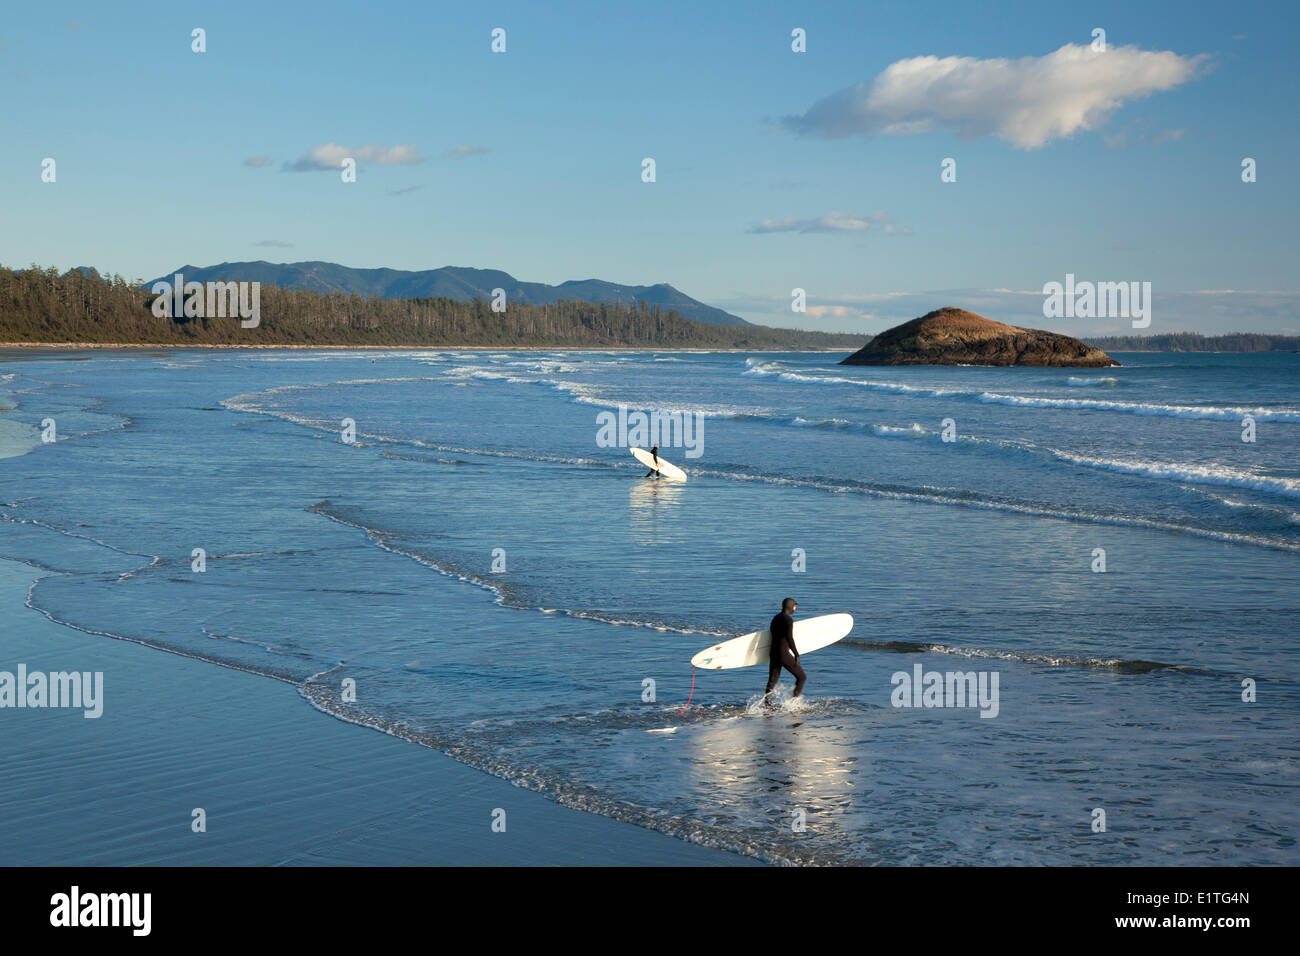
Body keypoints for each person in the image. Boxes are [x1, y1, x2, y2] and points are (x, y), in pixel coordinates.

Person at [765, 597, 806, 702]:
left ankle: (767, 705)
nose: (795, 608)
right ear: (792, 607)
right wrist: (796, 654)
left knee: (772, 681)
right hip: (783, 654)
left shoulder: (775, 618)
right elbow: (790, 638)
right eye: (795, 606)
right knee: (801, 677)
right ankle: (794, 702)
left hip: (773, 653)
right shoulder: (788, 620)